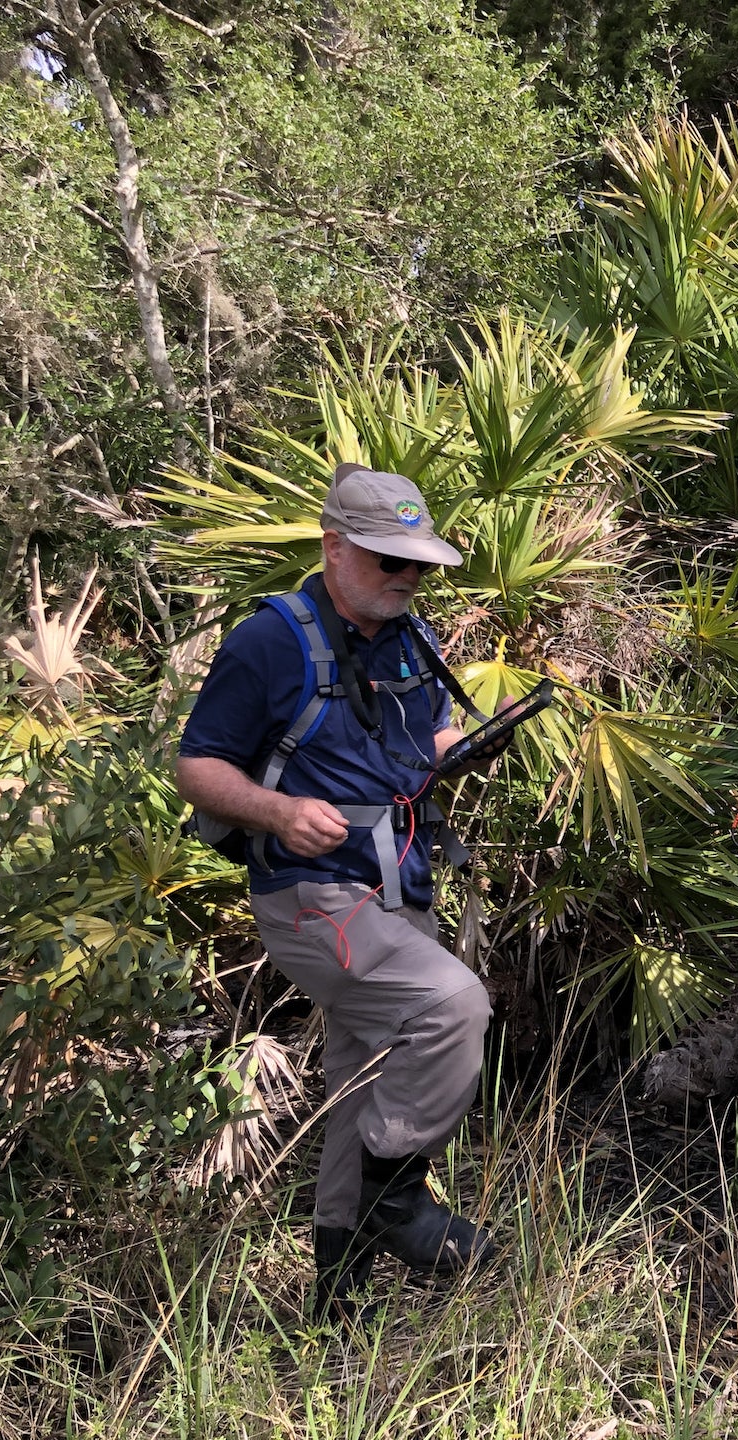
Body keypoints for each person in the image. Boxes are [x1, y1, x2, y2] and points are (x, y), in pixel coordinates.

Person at [177, 463, 496, 1320]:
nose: (406, 578)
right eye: (388, 561)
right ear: (332, 546)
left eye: (418, 564)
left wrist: (455, 746)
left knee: (365, 1081)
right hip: (314, 894)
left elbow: (423, 736)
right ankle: (401, 1207)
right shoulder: (271, 640)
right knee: (453, 1007)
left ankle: (337, 1309)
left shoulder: (410, 635)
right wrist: (279, 811)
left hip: (403, 882)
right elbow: (196, 764)